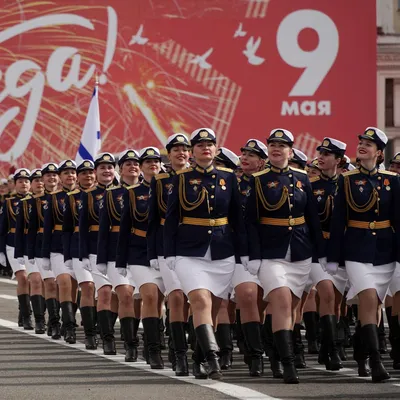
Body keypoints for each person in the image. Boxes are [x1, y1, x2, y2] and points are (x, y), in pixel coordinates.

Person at [164, 128, 246, 380]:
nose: (205, 148)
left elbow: (237, 218)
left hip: (222, 251)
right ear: (192, 152)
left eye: (209, 144)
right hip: (189, 251)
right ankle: (213, 358)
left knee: (213, 309)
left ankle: (198, 357)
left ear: (216, 149)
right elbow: (171, 218)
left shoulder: (228, 177)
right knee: (200, 301)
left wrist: (244, 254)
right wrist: (169, 253)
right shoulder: (181, 178)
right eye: (199, 145)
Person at [245, 129, 324, 384]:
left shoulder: (302, 178)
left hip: (300, 251)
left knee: (290, 307)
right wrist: (253, 255)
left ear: (291, 150)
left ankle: (277, 354)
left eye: (282, 145)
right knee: (280, 300)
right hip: (270, 253)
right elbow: (251, 222)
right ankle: (289, 364)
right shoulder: (257, 179)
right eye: (272, 145)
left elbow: (312, 218)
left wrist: (319, 254)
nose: (276, 149)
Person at [327, 127, 400, 383]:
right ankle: (377, 361)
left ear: (379, 153)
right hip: (356, 250)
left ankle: (361, 354)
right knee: (369, 299)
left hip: (385, 251)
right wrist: (333, 258)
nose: (362, 147)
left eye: (369, 144)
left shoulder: (393, 180)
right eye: (361, 143)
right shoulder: (346, 179)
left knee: (375, 306)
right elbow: (338, 222)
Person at [116, 147, 165, 369]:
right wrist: (120, 260)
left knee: (164, 300)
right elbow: (125, 227)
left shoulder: (172, 187)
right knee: (149, 296)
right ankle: (150, 347)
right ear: (142, 166)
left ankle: (156, 340)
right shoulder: (133, 193)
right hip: (139, 250)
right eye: (147, 161)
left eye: (156, 160)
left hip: (166, 250)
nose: (152, 164)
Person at [147, 134, 191, 376]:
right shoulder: (160, 181)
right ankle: (178, 351)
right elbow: (154, 219)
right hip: (168, 245)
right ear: (169, 154)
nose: (181, 153)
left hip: (196, 245)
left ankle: (195, 346)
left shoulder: (198, 177)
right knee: (175, 297)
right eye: (176, 149)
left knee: (194, 299)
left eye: (185, 149)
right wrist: (154, 252)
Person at [97, 150, 141, 362]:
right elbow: (104, 229)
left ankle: (145, 337)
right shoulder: (111, 194)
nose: (133, 166)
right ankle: (129, 343)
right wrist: (101, 259)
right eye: (128, 163)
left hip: (143, 251)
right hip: (117, 252)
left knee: (143, 298)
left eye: (136, 163)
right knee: (125, 294)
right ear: (120, 169)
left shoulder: (151, 190)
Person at [309, 138, 348, 371]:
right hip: (317, 248)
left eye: (327, 154)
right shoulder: (309, 185)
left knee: (336, 302)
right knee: (327, 295)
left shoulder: (347, 185)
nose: (321, 157)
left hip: (341, 248)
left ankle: (327, 345)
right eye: (320, 152)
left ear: (339, 160)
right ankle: (332, 349)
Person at [234, 139, 269, 377]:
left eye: (252, 155)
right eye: (244, 153)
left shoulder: (271, 183)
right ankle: (255, 355)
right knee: (246, 297)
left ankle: (255, 339)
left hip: (269, 249)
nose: (245, 157)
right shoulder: (232, 185)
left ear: (262, 161)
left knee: (263, 301)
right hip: (240, 249)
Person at [79, 152, 118, 355]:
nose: (106, 171)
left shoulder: (123, 192)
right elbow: (82, 227)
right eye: (102, 168)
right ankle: (100, 336)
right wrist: (83, 254)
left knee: (120, 296)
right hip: (95, 249)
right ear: (96, 172)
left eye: (110, 167)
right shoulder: (88, 196)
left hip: (120, 250)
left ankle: (105, 328)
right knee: (103, 292)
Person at [42, 160, 78, 344]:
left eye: (73, 172)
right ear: (61, 177)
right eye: (66, 173)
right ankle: (65, 324)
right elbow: (47, 229)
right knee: (63, 283)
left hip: (79, 247)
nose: (70, 176)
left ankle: (65, 321)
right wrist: (45, 255)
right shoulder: (54, 198)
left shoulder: (84, 196)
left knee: (74, 287)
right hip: (58, 247)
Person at [63, 159, 98, 349]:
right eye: (83, 173)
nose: (88, 176)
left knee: (104, 292)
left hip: (102, 248)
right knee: (88, 287)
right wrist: (68, 255)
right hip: (79, 248)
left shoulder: (105, 194)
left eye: (90, 172)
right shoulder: (72, 197)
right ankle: (89, 333)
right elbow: (67, 229)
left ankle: (99, 325)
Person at [28, 163, 60, 338]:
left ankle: (62, 319)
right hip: (43, 245)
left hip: (64, 245)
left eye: (55, 175)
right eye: (48, 176)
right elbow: (32, 229)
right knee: (48, 283)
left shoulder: (67, 198)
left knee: (63, 285)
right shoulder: (36, 201)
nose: (51, 178)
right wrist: (30, 253)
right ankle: (50, 321)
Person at [0, 168, 33, 329]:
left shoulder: (37, 200)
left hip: (32, 244)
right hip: (13, 243)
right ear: (15, 184)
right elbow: (2, 228)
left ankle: (23, 309)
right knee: (23, 277)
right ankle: (27, 315)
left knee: (33, 280)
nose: (24, 184)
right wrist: (1, 251)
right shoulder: (8, 202)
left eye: (27, 181)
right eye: (20, 181)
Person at [14, 168, 46, 334]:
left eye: (42, 180)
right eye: (36, 181)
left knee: (46, 283)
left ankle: (48, 317)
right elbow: (18, 230)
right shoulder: (25, 203)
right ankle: (33, 318)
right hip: (29, 246)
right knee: (31, 280)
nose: (40, 183)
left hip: (50, 247)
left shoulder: (54, 200)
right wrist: (18, 252)